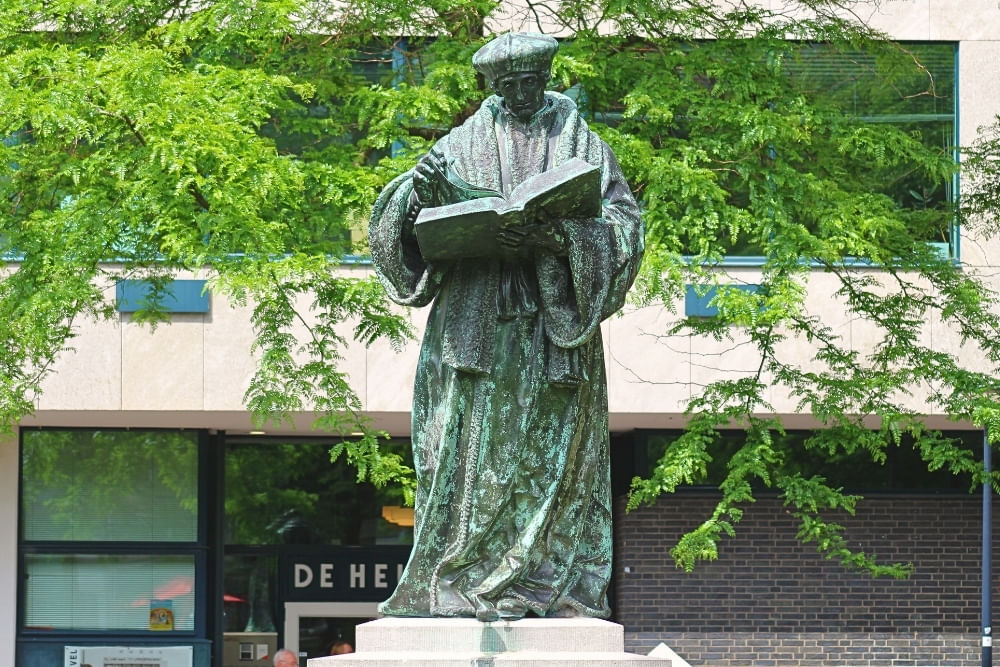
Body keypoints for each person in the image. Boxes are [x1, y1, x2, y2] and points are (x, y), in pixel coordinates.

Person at [369, 31, 643, 622]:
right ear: (489, 86)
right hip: (475, 327)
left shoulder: (585, 147)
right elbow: (399, 225)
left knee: (548, 458)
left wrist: (554, 237)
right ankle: (460, 575)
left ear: (546, 79)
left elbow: (624, 231)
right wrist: (419, 198)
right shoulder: (457, 145)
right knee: (463, 452)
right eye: (507, 85)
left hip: (551, 331)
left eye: (530, 83)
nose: (519, 94)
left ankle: (543, 576)